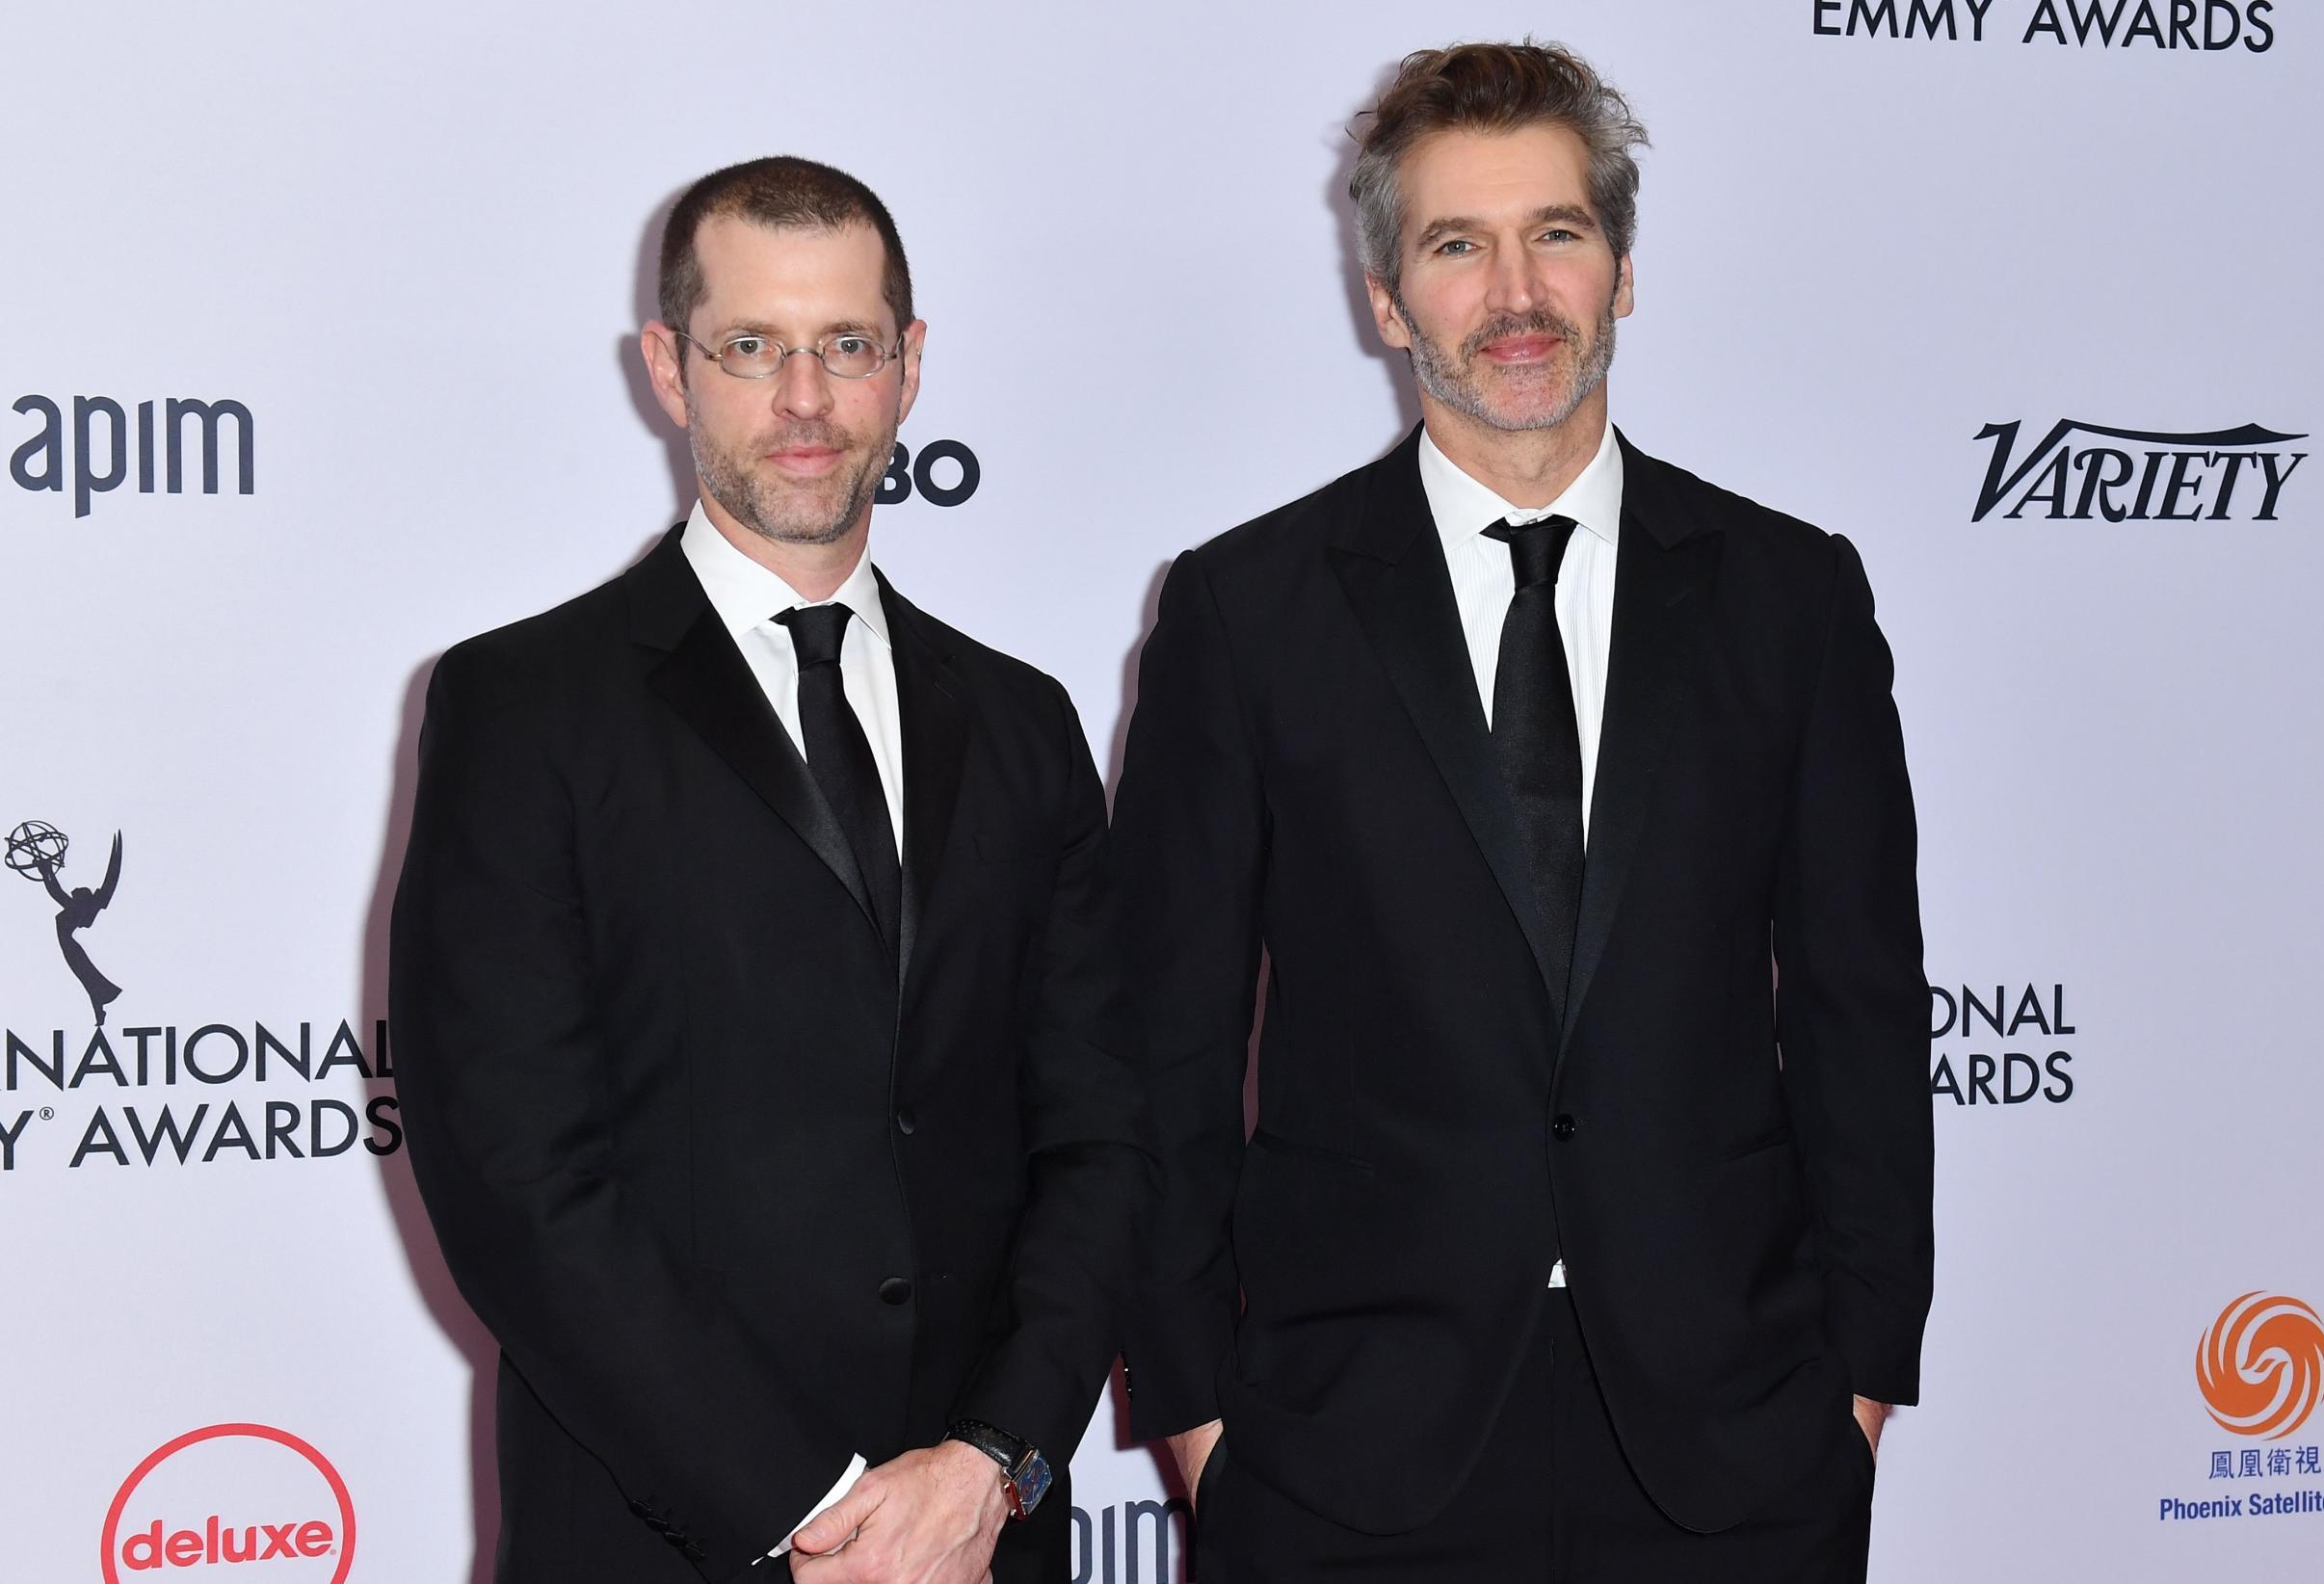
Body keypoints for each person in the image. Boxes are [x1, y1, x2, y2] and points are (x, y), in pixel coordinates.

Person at [1111, 41, 1932, 1582]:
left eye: (1555, 234)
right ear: (1382, 299)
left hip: (1737, 1453)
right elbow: (1163, 1047)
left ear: (1621, 270)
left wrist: (1859, 1389)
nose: (1514, 293)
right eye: (1453, 245)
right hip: (1343, 1458)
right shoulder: (1248, 611)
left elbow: (1863, 1014)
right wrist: (1203, 1422)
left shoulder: (1787, 597)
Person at [390, 156, 1148, 1584]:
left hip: (975, 1540)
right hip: (668, 1537)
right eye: (751, 348)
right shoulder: (522, 708)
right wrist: (815, 1513)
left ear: (908, 369)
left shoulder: (1021, 720)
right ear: (668, 371)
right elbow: (517, 1179)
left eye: (846, 346)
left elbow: (1098, 1137)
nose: (803, 401)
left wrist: (993, 1463)